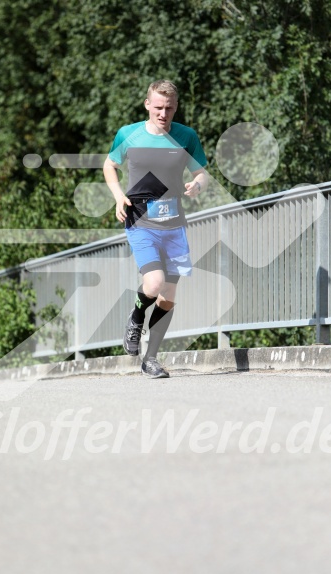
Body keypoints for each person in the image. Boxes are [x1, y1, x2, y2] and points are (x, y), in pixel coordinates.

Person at [103, 79, 207, 378]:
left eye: (170, 108)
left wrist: (197, 184)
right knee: (154, 284)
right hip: (140, 219)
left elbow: (201, 172)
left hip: (173, 223)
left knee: (168, 297)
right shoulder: (129, 134)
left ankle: (150, 358)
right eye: (158, 107)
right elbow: (109, 165)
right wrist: (118, 196)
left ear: (176, 107)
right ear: (147, 104)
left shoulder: (186, 136)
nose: (164, 114)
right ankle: (136, 317)